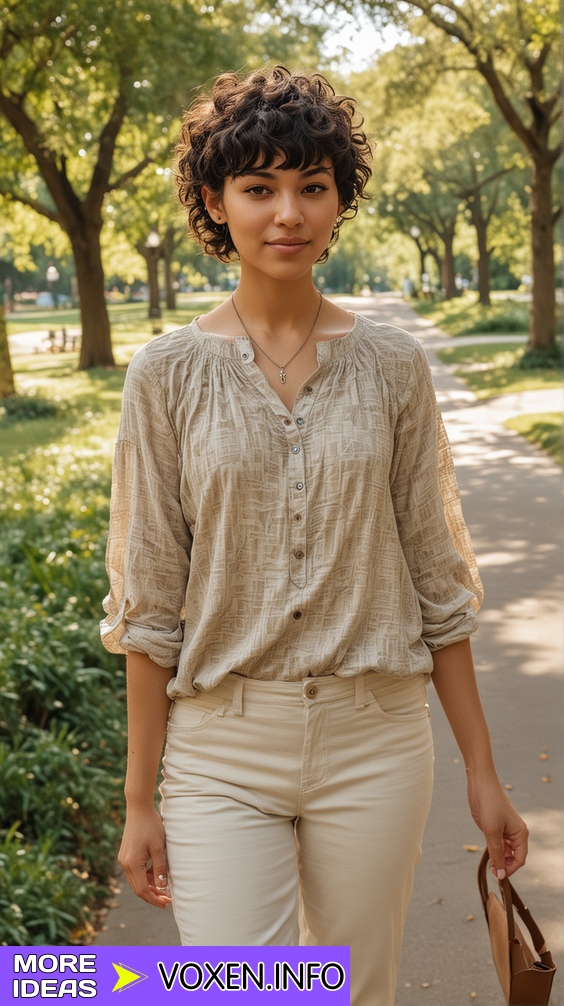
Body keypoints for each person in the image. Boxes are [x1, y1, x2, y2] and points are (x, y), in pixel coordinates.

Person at [100, 65, 528, 1006]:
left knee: (350, 994)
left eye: (311, 187)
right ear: (216, 203)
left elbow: (437, 580)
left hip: (374, 742)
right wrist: (140, 803)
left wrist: (483, 773)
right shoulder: (165, 377)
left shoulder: (392, 368)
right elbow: (148, 603)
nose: (286, 212)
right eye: (258, 188)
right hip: (220, 750)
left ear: (340, 201)